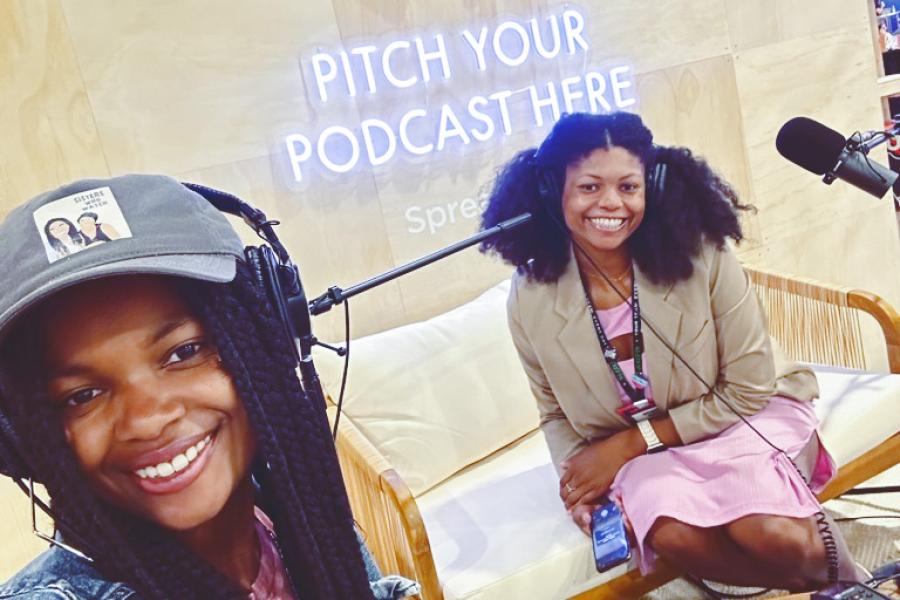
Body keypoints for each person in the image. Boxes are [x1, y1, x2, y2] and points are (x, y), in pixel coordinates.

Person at [479, 112, 864, 591]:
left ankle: (843, 580)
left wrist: (632, 442)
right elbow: (554, 413)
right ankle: (833, 583)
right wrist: (579, 486)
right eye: (589, 187)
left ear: (652, 189)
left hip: (744, 415)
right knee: (673, 534)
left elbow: (747, 388)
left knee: (771, 534)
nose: (610, 203)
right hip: (651, 458)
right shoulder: (532, 295)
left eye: (628, 187)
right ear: (552, 194)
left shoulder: (703, 254)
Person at [0, 175, 420, 599]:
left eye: (184, 352)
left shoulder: (307, 520)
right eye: (82, 396)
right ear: (21, 442)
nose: (147, 420)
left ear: (266, 343)